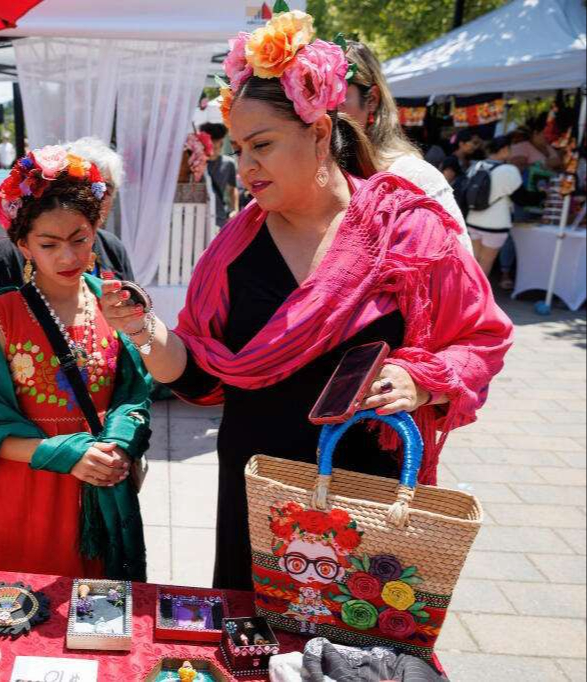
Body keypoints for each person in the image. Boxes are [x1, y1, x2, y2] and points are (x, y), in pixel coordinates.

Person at [100, 13, 513, 591]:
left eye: (261, 145)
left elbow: (482, 336)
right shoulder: (232, 253)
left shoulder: (409, 230)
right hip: (258, 485)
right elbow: (198, 376)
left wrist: (421, 380)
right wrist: (145, 330)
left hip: (365, 487)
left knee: (355, 647)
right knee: (254, 648)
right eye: (239, 148)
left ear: (321, 134)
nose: (244, 166)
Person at [0, 145, 151, 581]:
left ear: (97, 228)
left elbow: (135, 395)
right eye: (49, 244)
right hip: (30, 486)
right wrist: (66, 454)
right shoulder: (2, 315)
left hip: (100, 482)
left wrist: (118, 443)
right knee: (25, 610)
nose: (68, 257)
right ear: (22, 245)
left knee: (103, 615)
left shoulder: (116, 302)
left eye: (80, 239)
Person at [0, 137, 135, 345]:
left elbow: (132, 319)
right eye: (48, 245)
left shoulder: (113, 247)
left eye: (104, 189)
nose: (94, 197)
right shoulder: (10, 255)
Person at [340, 41, 472, 253]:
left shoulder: (414, 177)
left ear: (372, 99)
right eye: (311, 96)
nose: (322, 110)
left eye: (336, 93)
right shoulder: (309, 177)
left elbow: (459, 272)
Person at [466, 135, 523, 279]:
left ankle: (463, 295)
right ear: (504, 149)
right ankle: (476, 299)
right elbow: (521, 198)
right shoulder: (509, 170)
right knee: (485, 263)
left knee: (472, 261)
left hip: (473, 220)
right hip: (496, 224)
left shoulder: (477, 165)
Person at [198, 122, 240, 227]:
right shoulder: (196, 163)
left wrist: (235, 209)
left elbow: (232, 189)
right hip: (198, 214)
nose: (213, 151)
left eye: (216, 147)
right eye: (210, 147)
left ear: (221, 144)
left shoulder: (229, 163)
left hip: (219, 216)